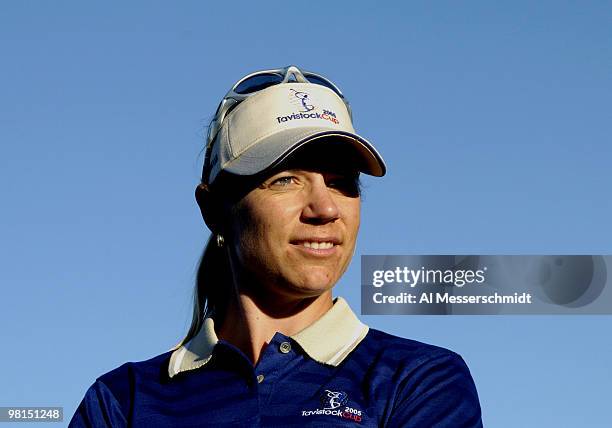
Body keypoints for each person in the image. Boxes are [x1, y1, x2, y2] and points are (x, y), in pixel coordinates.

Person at [69, 65, 483, 427]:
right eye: (285, 179)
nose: (324, 208)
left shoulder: (418, 381)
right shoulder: (123, 401)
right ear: (214, 209)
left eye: (342, 184)